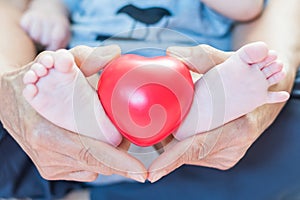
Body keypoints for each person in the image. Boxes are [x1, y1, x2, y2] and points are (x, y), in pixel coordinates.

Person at [0, 0, 299, 200]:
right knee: (76, 79)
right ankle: (86, 117)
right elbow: (42, 5)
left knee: (208, 89)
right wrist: (47, 15)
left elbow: (247, 7)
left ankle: (211, 106)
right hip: (101, 82)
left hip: (186, 86)